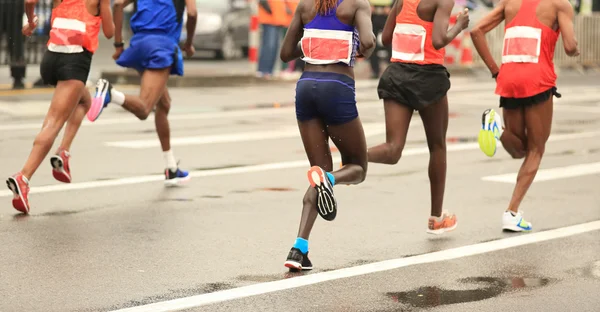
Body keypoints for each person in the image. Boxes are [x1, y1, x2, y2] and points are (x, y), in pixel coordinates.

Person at [280, 0, 375, 271]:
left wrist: (313, 43)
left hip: (306, 88)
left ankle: (299, 248)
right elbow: (368, 43)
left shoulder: (305, 6)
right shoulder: (357, 4)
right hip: (337, 88)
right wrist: (360, 44)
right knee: (357, 167)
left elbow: (286, 53)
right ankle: (330, 179)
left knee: (317, 170)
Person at [471, 0, 579, 232]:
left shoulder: (509, 2)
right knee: (536, 150)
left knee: (519, 150)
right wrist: (574, 46)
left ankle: (496, 128)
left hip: (508, 78)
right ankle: (511, 212)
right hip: (538, 80)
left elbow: (476, 30)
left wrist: (495, 71)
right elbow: (570, 47)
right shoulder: (560, 4)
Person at [367, 0, 470, 234]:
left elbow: (385, 38)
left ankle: (352, 157)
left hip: (397, 76)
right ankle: (436, 217)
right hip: (428, 78)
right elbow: (438, 40)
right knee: (437, 146)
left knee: (393, 150)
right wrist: (459, 25)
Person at [6, 0, 114, 213]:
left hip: (51, 59)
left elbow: (29, 1)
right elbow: (109, 32)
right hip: (75, 61)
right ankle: (23, 177)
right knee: (53, 123)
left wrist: (30, 23)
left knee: (84, 101)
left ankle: (63, 153)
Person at [88, 0, 198, 186]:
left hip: (139, 45)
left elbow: (118, 5)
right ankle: (111, 94)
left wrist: (118, 45)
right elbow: (193, 13)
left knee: (163, 103)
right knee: (144, 108)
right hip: (161, 47)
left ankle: (171, 167)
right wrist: (188, 44)